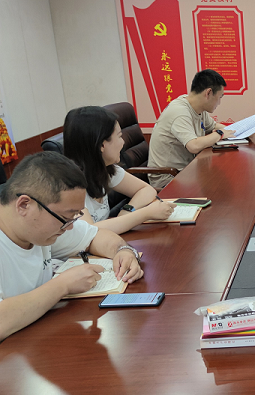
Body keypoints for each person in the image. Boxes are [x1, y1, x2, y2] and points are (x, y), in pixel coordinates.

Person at [0, 152, 144, 340]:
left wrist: (123, 251)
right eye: (65, 218)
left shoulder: (38, 225)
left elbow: (95, 236)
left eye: (74, 217)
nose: (69, 228)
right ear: (24, 205)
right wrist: (63, 285)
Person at [63, 106, 176, 234]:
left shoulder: (105, 169)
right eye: (119, 136)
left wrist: (127, 211)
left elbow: (146, 190)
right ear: (101, 145)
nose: (123, 142)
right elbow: (89, 232)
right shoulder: (69, 186)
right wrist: (146, 213)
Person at [148, 69, 236, 189]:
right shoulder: (179, 112)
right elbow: (193, 146)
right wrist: (220, 134)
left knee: (221, 177)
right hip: (168, 178)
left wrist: (237, 131)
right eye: (219, 97)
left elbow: (213, 126)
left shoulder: (197, 107)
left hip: (187, 170)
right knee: (218, 185)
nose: (219, 102)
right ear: (208, 93)